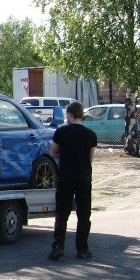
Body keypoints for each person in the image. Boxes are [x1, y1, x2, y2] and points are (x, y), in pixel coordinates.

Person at [48, 100, 98, 261]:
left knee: (62, 214)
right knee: (84, 215)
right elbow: (90, 159)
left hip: (65, 177)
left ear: (69, 114)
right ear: (81, 116)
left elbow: (53, 153)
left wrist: (66, 155)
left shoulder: (61, 133)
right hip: (84, 177)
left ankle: (58, 246)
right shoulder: (91, 135)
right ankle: (82, 249)